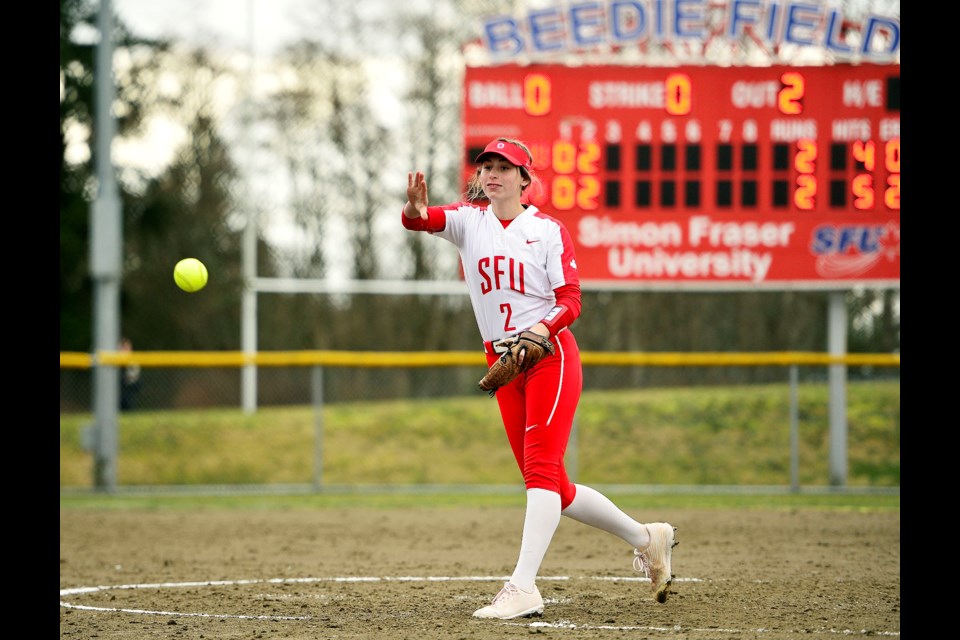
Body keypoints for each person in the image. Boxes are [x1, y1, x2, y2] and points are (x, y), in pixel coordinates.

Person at [401, 137, 678, 620]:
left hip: (548, 355)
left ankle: (523, 586)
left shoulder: (548, 230)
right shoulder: (470, 221)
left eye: (505, 168)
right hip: (503, 363)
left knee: (541, 475)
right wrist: (414, 208)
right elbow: (422, 221)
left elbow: (571, 300)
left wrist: (540, 329)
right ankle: (645, 537)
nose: (493, 174)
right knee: (555, 487)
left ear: (525, 180)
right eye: (487, 165)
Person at [119, 337, 142, 411]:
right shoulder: (116, 358)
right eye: (123, 347)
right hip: (120, 384)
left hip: (130, 384)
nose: (126, 349)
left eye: (127, 347)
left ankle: (126, 410)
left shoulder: (133, 359)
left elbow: (133, 377)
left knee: (126, 398)